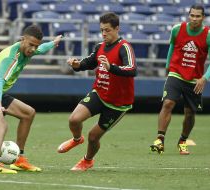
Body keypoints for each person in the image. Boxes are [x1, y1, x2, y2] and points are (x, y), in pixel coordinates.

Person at [0, 25, 62, 174]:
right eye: (31, 45)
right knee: (1, 124)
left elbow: (42, 48)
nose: (33, 49)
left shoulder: (29, 50)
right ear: (22, 39)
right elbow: (0, 81)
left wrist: (54, 42)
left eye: (35, 46)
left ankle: (19, 160)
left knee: (28, 113)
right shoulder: (11, 58)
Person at [57, 12, 137, 171]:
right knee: (74, 120)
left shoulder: (124, 47)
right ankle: (77, 139)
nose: (104, 34)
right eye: (102, 30)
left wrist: (111, 67)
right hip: (99, 94)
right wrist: (76, 64)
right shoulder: (100, 47)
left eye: (107, 30)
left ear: (117, 29)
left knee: (93, 137)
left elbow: (132, 70)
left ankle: (87, 160)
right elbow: (88, 63)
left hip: (118, 104)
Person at [150, 4, 210, 155]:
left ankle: (182, 141)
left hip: (195, 79)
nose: (194, 19)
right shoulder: (177, 29)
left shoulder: (208, 35)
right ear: (189, 15)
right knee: (168, 103)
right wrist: (168, 67)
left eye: (198, 16)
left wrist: (205, 78)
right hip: (176, 73)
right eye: (192, 15)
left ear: (203, 17)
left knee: (190, 113)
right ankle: (160, 140)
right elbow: (172, 47)